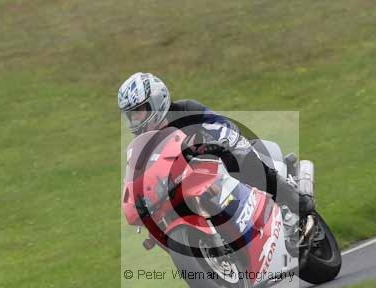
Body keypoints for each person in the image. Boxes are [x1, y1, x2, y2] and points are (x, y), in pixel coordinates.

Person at [117, 72, 315, 221]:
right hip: (189, 184)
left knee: (241, 158)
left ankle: (293, 201)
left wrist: (214, 143)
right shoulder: (145, 146)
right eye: (131, 115)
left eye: (139, 111)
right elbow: (141, 176)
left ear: (156, 101)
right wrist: (139, 199)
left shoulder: (186, 110)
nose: (135, 119)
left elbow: (223, 126)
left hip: (218, 164)